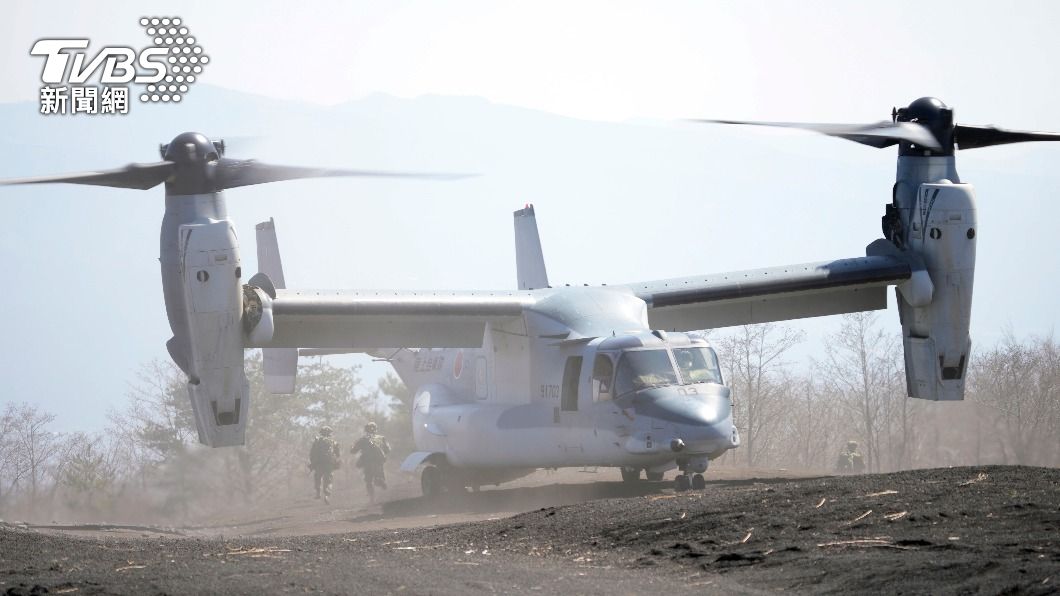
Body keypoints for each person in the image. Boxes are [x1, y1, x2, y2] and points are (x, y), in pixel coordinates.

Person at [350, 422, 391, 503]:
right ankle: (380, 481)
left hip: (367, 462)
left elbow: (353, 451)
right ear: (376, 429)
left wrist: (352, 446)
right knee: (378, 476)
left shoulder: (362, 439)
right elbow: (388, 450)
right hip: (379, 462)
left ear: (366, 430)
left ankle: (372, 498)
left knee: (368, 481)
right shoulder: (382, 438)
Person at [308, 426, 341, 503]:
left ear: (321, 433)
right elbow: (338, 454)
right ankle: (327, 495)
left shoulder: (317, 441)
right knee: (328, 480)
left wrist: (312, 463)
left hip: (319, 463)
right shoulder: (334, 442)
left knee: (317, 477)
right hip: (329, 464)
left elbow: (312, 453)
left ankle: (318, 493)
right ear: (330, 433)